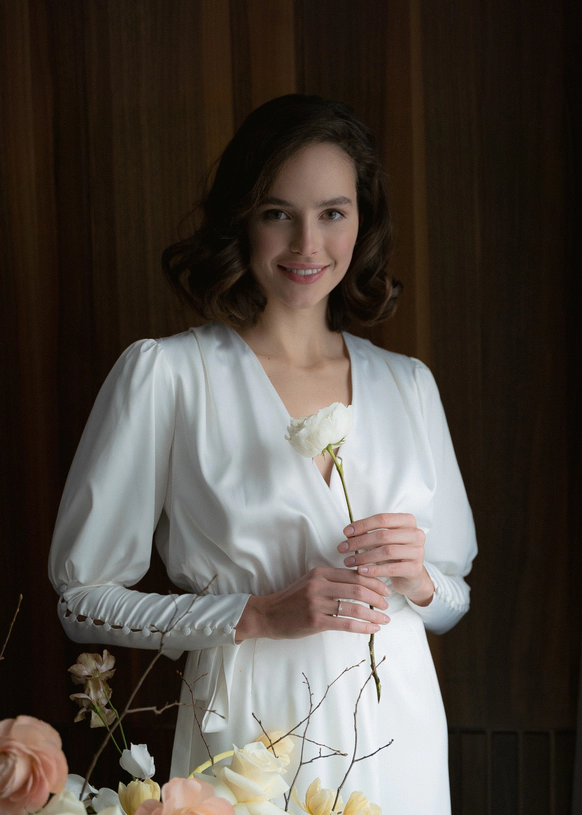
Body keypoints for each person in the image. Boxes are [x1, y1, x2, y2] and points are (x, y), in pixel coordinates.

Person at [49, 95, 477, 813]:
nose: (308, 243)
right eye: (279, 212)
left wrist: (422, 582)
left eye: (333, 212)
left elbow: (452, 594)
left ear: (362, 221)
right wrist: (251, 615)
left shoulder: (409, 385)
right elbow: (81, 598)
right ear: (243, 219)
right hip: (249, 735)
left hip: (400, 732)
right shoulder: (169, 376)